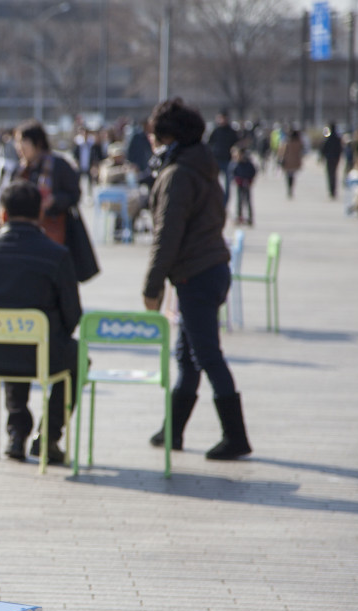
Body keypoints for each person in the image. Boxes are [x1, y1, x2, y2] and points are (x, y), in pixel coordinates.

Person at [143, 98, 251, 461]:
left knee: (206, 356)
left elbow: (166, 236)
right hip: (210, 270)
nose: (153, 145)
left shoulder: (178, 175)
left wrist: (152, 286)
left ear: (170, 138)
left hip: (196, 275)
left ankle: (235, 437)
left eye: (157, 138)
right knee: (188, 357)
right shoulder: (201, 166)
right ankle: (172, 430)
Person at [0, 180, 82, 464]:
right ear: (39, 215)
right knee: (74, 354)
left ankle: (16, 433)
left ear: (3, 214)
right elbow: (73, 317)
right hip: (40, 353)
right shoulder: (57, 255)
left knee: (11, 338)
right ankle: (48, 437)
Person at [9, 120, 81, 246]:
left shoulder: (59, 166)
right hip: (22, 233)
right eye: (17, 141)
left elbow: (74, 194)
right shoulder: (18, 170)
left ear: (38, 143)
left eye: (23, 141)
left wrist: (55, 199)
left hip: (54, 230)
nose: (19, 146)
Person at [207, 111, 239, 206]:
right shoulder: (215, 131)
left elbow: (236, 145)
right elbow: (209, 144)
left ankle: (224, 204)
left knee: (227, 185)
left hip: (228, 161)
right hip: (216, 160)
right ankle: (215, 203)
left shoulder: (231, 131)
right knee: (214, 183)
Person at [230, 146, 257, 226]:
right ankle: (239, 217)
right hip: (239, 184)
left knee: (248, 201)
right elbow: (232, 173)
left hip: (247, 184)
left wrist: (250, 180)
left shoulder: (248, 164)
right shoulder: (235, 164)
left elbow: (253, 171)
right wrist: (235, 179)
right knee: (239, 201)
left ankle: (250, 217)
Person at [319, 122, 343, 199]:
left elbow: (323, 148)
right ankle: (333, 190)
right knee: (334, 174)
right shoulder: (337, 138)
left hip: (329, 158)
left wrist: (322, 157)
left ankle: (331, 190)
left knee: (330, 174)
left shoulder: (328, 138)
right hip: (335, 158)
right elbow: (340, 149)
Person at [278, 129, 304, 199]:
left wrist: (281, 158)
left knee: (288, 176)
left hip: (288, 161)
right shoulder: (299, 143)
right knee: (292, 176)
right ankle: (291, 188)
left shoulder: (288, 142)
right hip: (295, 162)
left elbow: (283, 151)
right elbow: (301, 151)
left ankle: (289, 188)